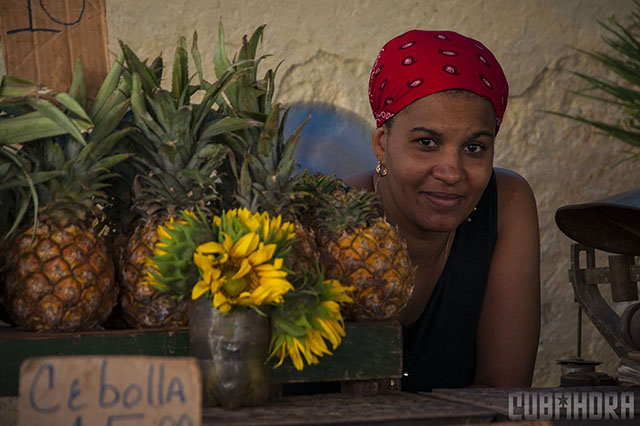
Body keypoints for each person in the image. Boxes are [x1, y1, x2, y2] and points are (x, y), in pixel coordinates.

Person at [345, 30, 540, 392]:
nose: (451, 172)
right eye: (427, 143)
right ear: (382, 145)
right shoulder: (328, 219)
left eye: (474, 147)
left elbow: (503, 392)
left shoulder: (506, 205)